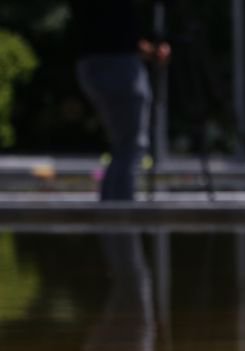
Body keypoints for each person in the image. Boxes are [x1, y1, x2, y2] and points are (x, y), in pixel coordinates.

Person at [71, 0, 170, 201]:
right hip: (117, 65)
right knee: (130, 146)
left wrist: (146, 49)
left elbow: (112, 27)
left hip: (97, 62)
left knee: (124, 146)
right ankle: (120, 215)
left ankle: (113, 213)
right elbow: (114, 29)